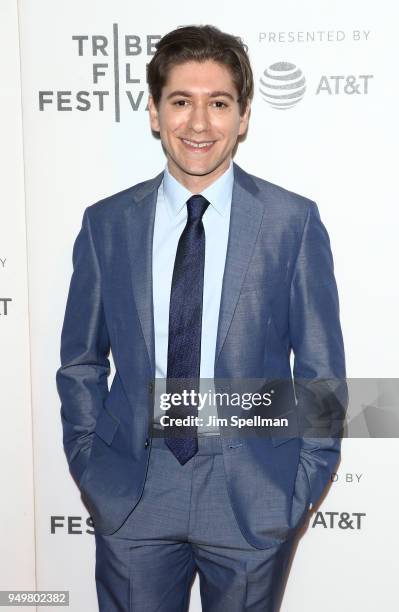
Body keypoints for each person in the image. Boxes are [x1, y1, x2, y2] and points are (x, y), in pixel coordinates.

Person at [56, 24, 347, 612]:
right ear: (155, 113)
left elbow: (321, 374)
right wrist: (91, 463)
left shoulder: (292, 223)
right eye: (181, 101)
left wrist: (297, 486)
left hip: (251, 489)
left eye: (218, 103)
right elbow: (82, 360)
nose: (198, 123)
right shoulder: (106, 224)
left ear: (242, 117)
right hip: (133, 488)